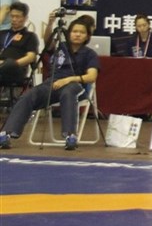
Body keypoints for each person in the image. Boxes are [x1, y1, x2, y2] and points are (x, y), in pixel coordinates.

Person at [0, 17, 98, 151]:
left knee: (68, 93)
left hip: (75, 86)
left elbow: (92, 76)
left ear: (87, 36)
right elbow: (47, 41)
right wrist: (51, 23)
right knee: (29, 95)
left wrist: (68, 80)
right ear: (69, 33)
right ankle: (6, 133)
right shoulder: (60, 47)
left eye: (82, 32)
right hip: (52, 84)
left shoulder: (90, 54)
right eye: (74, 31)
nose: (77, 34)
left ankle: (70, 136)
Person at [0, 1, 38, 88]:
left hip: (15, 68)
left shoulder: (30, 36)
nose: (14, 19)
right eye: (12, 16)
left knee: (9, 64)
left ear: (25, 18)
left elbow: (31, 57)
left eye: (17, 17)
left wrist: (13, 64)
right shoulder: (2, 33)